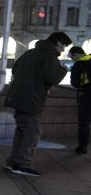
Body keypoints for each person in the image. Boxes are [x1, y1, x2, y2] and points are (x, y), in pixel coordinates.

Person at [4, 31, 72, 176]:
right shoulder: (49, 56)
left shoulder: (29, 53)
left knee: (22, 130)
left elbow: (15, 69)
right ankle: (22, 163)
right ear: (58, 43)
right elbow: (52, 78)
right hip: (32, 99)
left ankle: (13, 162)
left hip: (18, 96)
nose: (63, 50)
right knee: (33, 131)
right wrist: (63, 70)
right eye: (64, 46)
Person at [69, 46, 91, 154]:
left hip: (87, 96)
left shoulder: (79, 64)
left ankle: (82, 147)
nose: (72, 60)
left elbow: (75, 84)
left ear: (76, 54)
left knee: (84, 122)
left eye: (72, 57)